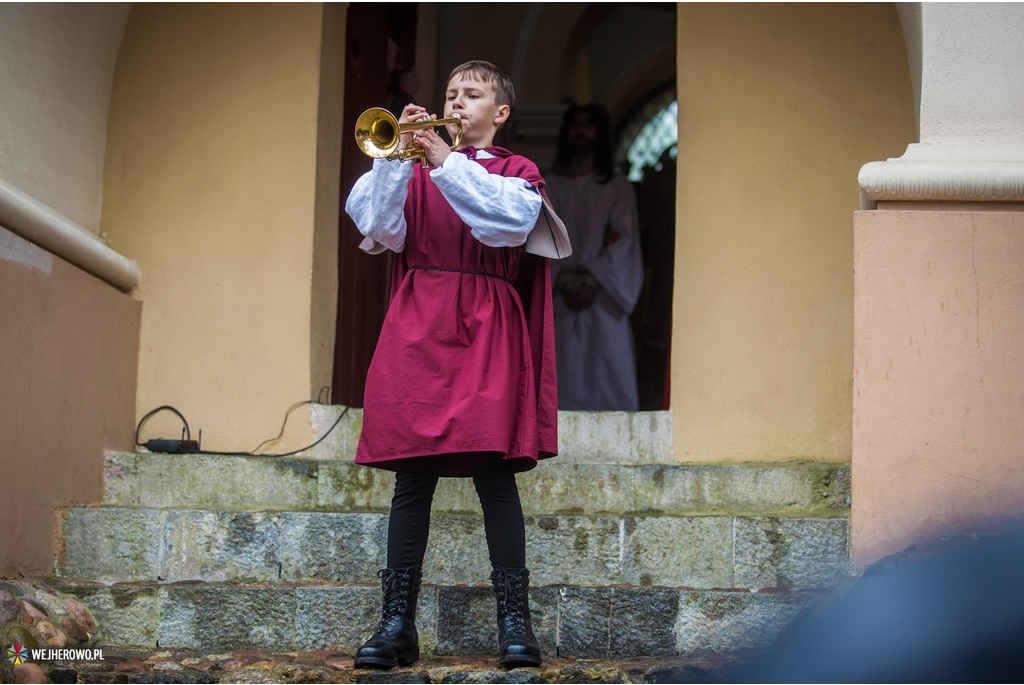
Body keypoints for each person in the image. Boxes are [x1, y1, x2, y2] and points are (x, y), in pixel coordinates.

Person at [344, 60, 571, 670]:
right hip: (419, 323)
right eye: (450, 94)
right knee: (411, 478)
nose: (458, 102)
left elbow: (509, 226)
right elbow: (377, 225)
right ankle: (396, 625)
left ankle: (514, 626)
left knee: (493, 476)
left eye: (473, 95)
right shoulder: (410, 169)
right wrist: (396, 157)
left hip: (486, 325)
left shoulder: (518, 173)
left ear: (499, 113)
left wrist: (446, 162)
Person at [545, 104, 644, 411]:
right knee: (558, 387)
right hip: (559, 299)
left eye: (588, 125)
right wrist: (563, 278)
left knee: (610, 389)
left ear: (600, 134)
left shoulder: (616, 187)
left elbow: (623, 240)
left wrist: (589, 279)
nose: (581, 132)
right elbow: (536, 240)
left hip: (604, 301)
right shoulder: (547, 184)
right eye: (575, 125)